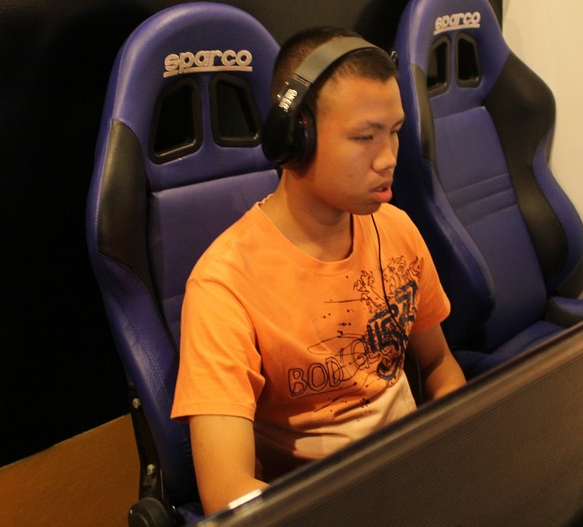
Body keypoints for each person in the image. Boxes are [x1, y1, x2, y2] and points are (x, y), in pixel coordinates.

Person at [171, 26, 466, 513]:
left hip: (418, 481)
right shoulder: (223, 284)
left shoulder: (397, 229)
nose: (388, 158)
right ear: (295, 139)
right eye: (364, 137)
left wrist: (455, 440)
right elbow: (226, 491)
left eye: (394, 132)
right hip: (319, 507)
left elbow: (437, 365)